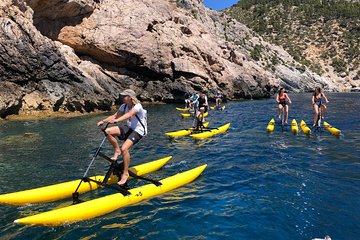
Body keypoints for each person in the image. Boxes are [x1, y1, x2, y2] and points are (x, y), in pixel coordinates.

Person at [97, 89, 147, 185]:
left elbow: (129, 115)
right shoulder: (124, 106)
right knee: (107, 131)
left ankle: (125, 173)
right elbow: (115, 115)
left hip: (138, 131)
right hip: (129, 128)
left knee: (124, 148)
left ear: (130, 98)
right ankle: (116, 150)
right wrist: (103, 121)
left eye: (124, 96)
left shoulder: (138, 106)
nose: (122, 98)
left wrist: (116, 121)